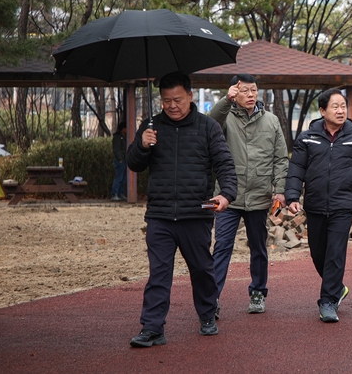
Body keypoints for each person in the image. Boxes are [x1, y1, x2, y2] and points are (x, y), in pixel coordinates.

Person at [126, 72, 237, 348]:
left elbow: (224, 163)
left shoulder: (208, 127)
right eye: (165, 101)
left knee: (201, 269)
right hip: (160, 215)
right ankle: (152, 328)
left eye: (177, 99)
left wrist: (226, 194)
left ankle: (207, 314)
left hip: (196, 212)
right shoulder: (151, 127)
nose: (172, 105)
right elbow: (133, 163)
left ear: (190, 95)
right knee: (159, 273)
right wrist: (142, 145)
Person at [285, 88, 352, 323]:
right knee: (318, 253)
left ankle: (327, 301)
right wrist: (293, 197)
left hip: (343, 204)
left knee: (335, 253)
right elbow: (296, 170)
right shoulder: (307, 138)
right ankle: (337, 287)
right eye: (335, 106)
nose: (340, 110)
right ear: (322, 110)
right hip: (315, 204)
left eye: (343, 106)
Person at [209, 74, 288, 317]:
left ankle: (258, 292)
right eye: (245, 90)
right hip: (228, 196)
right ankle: (211, 299)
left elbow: (280, 159)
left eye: (254, 90)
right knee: (222, 246)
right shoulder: (225, 119)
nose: (251, 94)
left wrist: (280, 189)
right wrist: (226, 100)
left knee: (258, 247)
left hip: (260, 195)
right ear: (235, 92)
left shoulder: (272, 121)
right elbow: (207, 124)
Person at [110, 121, 127, 201]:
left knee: (123, 178)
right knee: (119, 177)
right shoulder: (117, 137)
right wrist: (120, 159)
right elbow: (116, 149)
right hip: (120, 160)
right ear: (123, 129)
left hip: (124, 159)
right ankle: (114, 193)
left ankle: (121, 193)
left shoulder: (124, 137)